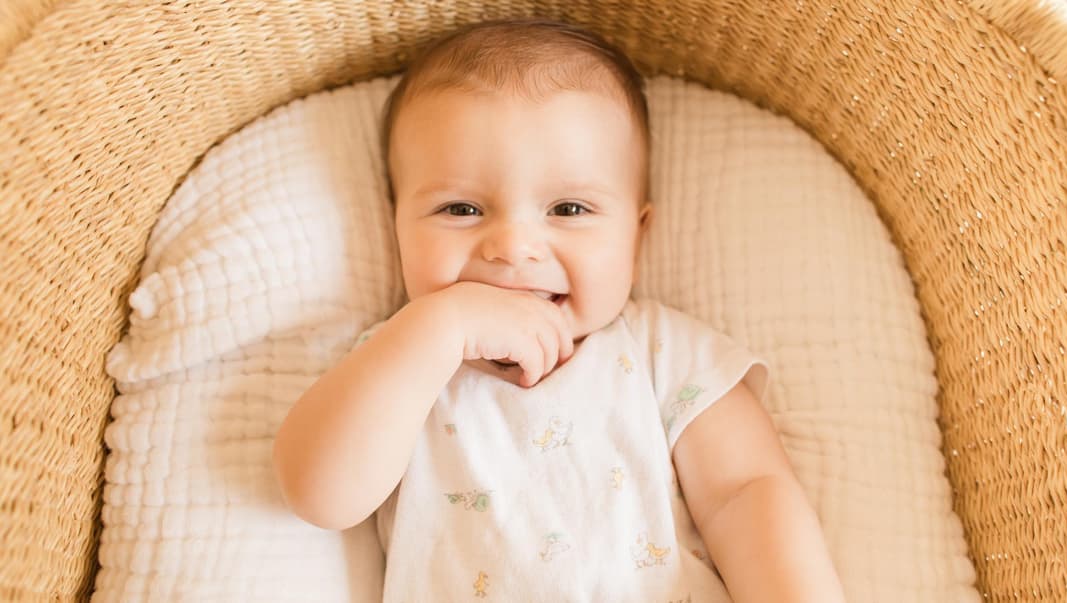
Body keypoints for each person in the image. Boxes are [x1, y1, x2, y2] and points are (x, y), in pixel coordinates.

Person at [273, 18, 845, 602]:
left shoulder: (664, 355)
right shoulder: (401, 361)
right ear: (394, 226)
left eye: (569, 208)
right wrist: (439, 327)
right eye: (461, 208)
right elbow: (322, 496)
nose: (514, 246)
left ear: (636, 239)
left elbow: (747, 493)